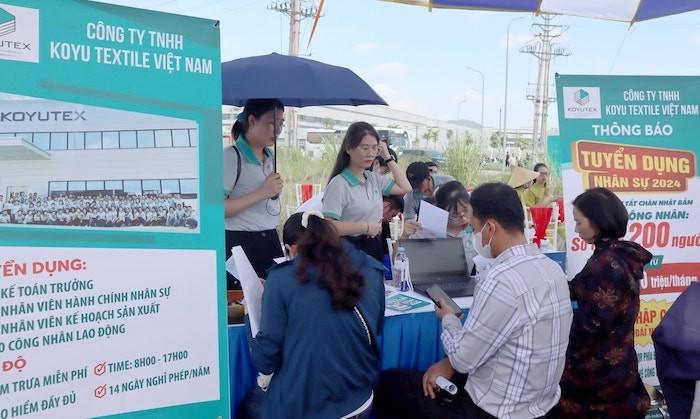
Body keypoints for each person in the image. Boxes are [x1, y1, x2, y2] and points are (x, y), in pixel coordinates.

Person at [375, 182, 572, 419]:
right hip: (543, 406)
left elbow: (462, 359)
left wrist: (448, 319)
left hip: (492, 410)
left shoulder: (499, 279)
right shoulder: (553, 270)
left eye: (475, 228)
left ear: (490, 228)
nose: (475, 234)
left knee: (389, 383)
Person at [248, 211, 386, 419]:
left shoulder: (281, 279)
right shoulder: (371, 269)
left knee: (249, 405)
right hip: (360, 398)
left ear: (291, 249)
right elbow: (375, 326)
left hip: (306, 405)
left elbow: (266, 358)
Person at [547, 187, 652, 418]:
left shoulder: (604, 262)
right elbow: (577, 287)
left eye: (579, 222)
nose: (576, 229)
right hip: (620, 366)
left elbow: (593, 324)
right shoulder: (618, 254)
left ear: (597, 222)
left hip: (599, 376)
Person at [323, 121, 411, 262]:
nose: (371, 154)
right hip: (347, 251)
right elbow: (327, 227)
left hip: (373, 247)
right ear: (349, 149)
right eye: (364, 148)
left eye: (374, 148)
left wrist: (387, 156)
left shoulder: (373, 179)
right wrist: (366, 226)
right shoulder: (339, 184)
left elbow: (406, 187)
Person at [224, 99, 285, 289]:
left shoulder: (270, 157)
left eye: (282, 123)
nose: (278, 129)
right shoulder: (231, 156)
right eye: (272, 123)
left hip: (271, 240)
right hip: (241, 242)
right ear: (252, 120)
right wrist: (261, 193)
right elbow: (218, 208)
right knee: (245, 306)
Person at [410, 180, 477, 275]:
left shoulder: (476, 230)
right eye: (454, 215)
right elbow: (401, 259)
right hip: (431, 284)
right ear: (442, 212)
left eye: (466, 210)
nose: (463, 218)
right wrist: (404, 235)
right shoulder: (428, 230)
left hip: (465, 285)